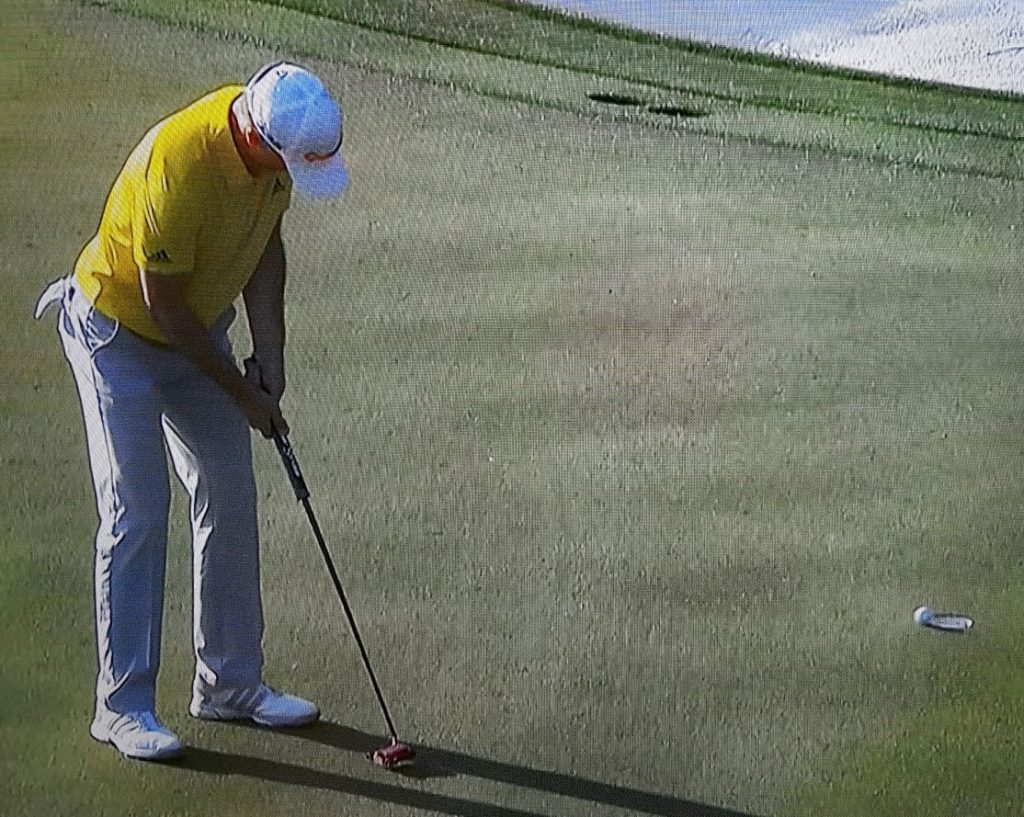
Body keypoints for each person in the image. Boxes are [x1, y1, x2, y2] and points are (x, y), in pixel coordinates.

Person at [34, 61, 348, 761]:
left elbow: (266, 246)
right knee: (137, 511)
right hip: (116, 334)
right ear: (261, 140)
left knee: (230, 495)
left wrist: (271, 349)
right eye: (293, 165)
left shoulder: (271, 158)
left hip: (196, 326)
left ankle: (229, 684)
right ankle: (121, 707)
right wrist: (241, 392)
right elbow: (163, 305)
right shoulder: (178, 161)